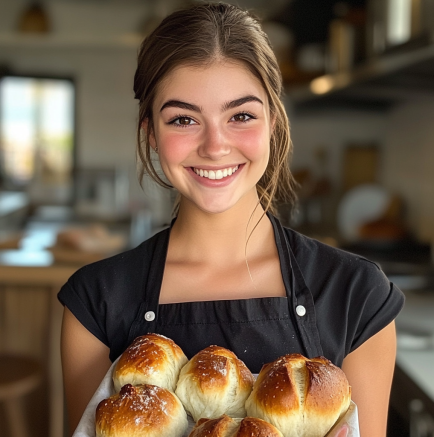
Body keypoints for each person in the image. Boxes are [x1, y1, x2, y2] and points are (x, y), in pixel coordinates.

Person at [59, 3, 404, 436]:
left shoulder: (357, 298)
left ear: (273, 123)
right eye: (183, 119)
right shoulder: (95, 303)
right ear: (151, 133)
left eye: (240, 115)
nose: (215, 146)